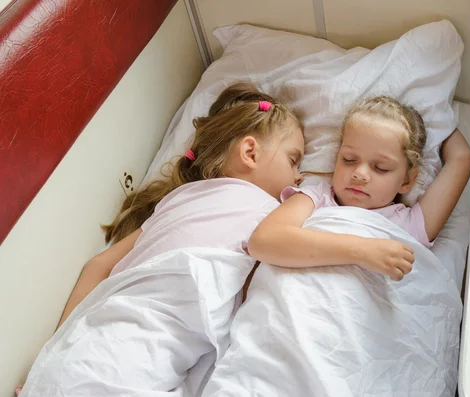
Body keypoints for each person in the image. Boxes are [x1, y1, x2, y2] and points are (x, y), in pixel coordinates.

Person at [17, 83, 305, 396]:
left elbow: (98, 264)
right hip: (127, 359)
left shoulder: (175, 200)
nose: (299, 176)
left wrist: (57, 348)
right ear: (250, 153)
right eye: (293, 160)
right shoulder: (268, 209)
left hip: (87, 346)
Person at [248, 96, 470, 281]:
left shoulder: (410, 224)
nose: (359, 174)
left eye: (380, 167)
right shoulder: (317, 197)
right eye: (349, 159)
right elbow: (263, 241)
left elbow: (462, 159)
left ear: (407, 181)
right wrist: (362, 251)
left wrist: (437, 108)